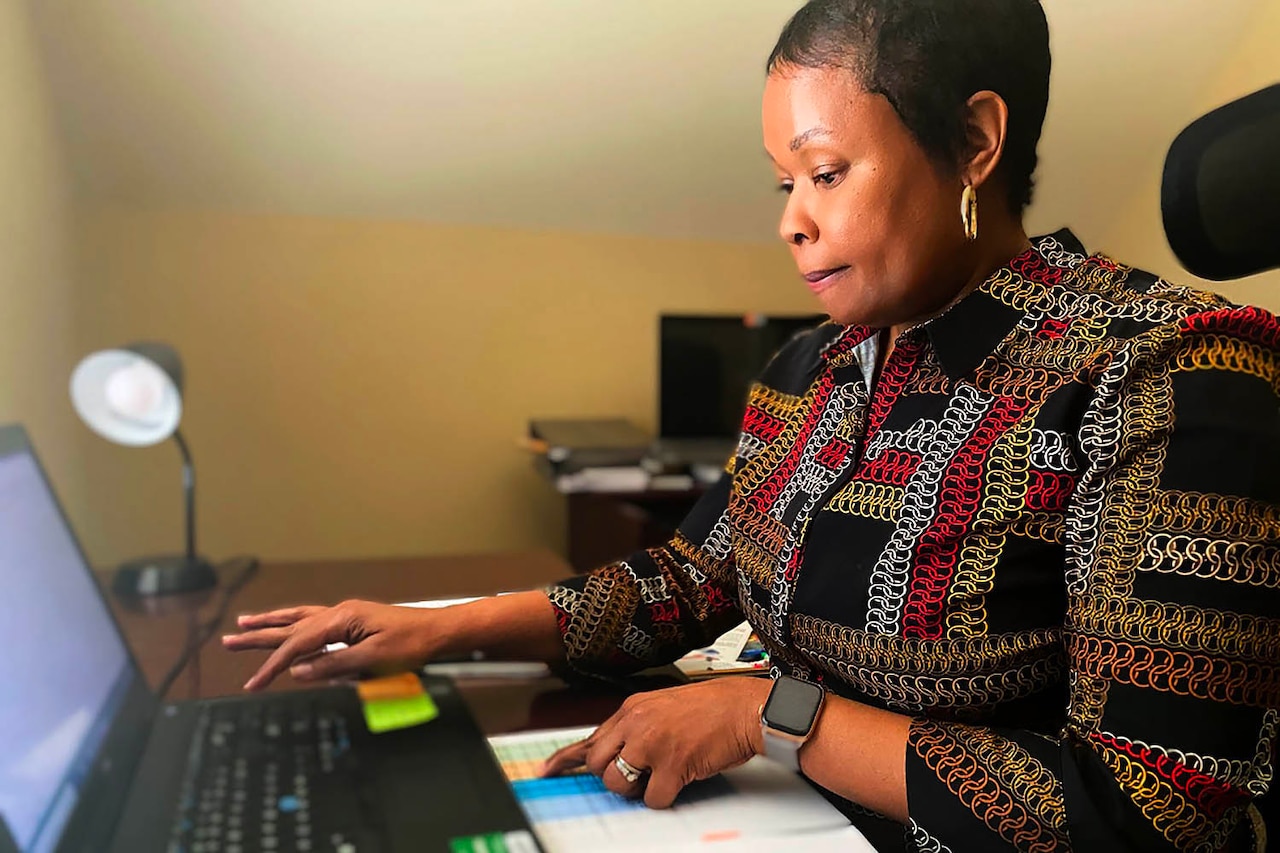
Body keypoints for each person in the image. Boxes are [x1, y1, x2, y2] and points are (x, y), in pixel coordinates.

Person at [223, 0, 1280, 849]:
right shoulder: (806, 368)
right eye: (783, 181)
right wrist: (446, 626)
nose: (789, 219)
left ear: (971, 143)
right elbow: (693, 579)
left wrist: (768, 714)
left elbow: (1153, 807)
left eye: (825, 173)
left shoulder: (1167, 370)